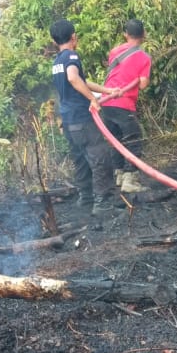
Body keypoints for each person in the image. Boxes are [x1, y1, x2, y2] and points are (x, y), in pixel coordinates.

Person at [49, 19, 121, 215]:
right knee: (100, 157)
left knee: (80, 159)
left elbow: (81, 80)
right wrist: (93, 100)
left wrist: (107, 90)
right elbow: (74, 78)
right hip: (82, 118)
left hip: (68, 121)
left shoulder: (57, 62)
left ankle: (86, 198)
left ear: (55, 41)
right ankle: (103, 204)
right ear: (73, 37)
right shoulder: (72, 55)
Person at [101, 19, 152, 194]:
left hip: (106, 102)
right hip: (123, 103)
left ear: (126, 34)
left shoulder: (114, 52)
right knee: (134, 140)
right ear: (143, 34)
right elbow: (143, 84)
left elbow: (117, 73)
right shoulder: (144, 57)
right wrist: (141, 77)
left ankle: (119, 175)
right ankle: (130, 180)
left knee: (116, 140)